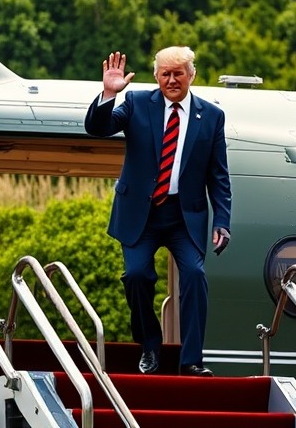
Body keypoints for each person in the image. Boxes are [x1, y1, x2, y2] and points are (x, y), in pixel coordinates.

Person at [84, 47, 231, 377]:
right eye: (165, 73)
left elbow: (218, 175)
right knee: (137, 276)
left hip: (184, 216)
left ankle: (192, 360)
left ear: (192, 75)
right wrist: (109, 93)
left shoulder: (211, 116)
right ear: (156, 77)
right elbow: (98, 128)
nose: (171, 79)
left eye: (178, 72)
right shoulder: (137, 104)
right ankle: (150, 345)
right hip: (140, 213)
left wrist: (222, 220)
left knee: (195, 276)